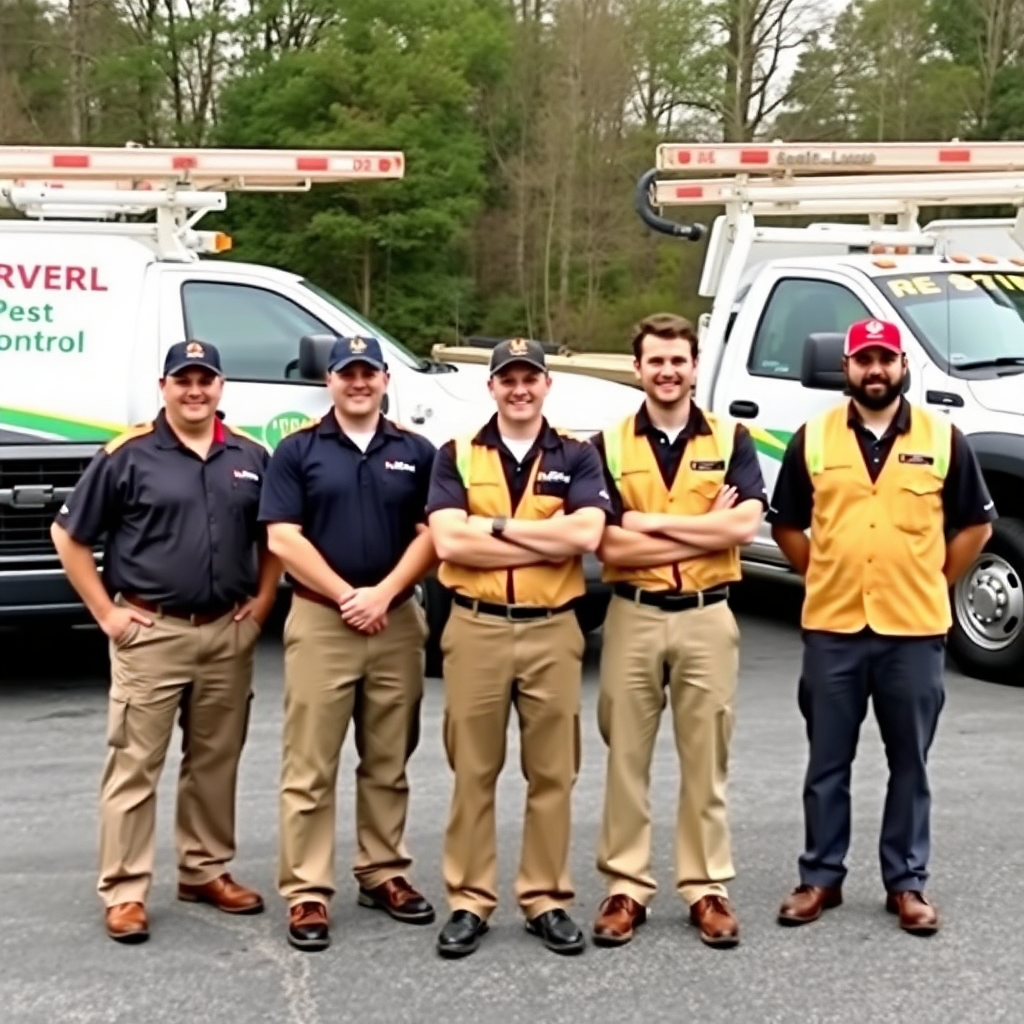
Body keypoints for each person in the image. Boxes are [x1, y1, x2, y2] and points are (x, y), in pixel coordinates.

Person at [768, 317, 997, 936]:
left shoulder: (944, 438)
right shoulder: (811, 439)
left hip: (913, 631)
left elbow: (976, 525)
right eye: (864, 360)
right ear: (846, 367)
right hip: (833, 628)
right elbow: (786, 522)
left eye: (886, 360)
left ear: (903, 368)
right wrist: (822, 573)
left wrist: (933, 579)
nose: (875, 371)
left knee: (911, 765)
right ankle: (820, 877)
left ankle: (907, 884)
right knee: (827, 762)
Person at [50, 340, 280, 944]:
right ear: (164, 387)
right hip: (152, 633)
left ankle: (204, 870)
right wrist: (106, 613)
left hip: (227, 632)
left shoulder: (251, 456)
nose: (195, 390)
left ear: (221, 387)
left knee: (215, 762)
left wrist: (261, 603)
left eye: (205, 380)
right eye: (184, 380)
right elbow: (68, 535)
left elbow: (275, 537)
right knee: (134, 766)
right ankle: (125, 891)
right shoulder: (128, 455)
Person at [425, 337, 611, 959]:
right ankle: (470, 900)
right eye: (508, 378)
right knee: (474, 772)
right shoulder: (455, 454)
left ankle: (546, 898)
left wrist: (496, 526)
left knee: (552, 772)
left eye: (530, 377)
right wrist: (545, 537)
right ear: (493, 387)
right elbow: (449, 543)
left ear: (546, 385)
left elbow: (586, 534)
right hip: (475, 625)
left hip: (552, 627)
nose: (520, 388)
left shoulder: (579, 455)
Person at [586, 313, 766, 950]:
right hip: (632, 613)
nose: (667, 371)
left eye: (678, 361)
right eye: (655, 361)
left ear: (695, 367)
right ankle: (626, 887)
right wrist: (697, 528)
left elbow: (742, 529)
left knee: (705, 758)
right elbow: (605, 539)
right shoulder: (605, 444)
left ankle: (705, 887)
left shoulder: (731, 438)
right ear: (637, 368)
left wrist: (646, 523)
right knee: (625, 759)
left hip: (707, 617)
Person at [258, 333, 438, 953]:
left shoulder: (416, 452)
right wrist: (346, 596)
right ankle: (307, 890)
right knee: (310, 764)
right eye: (346, 373)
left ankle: (383, 872)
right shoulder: (298, 450)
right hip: (321, 621)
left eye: (369, 373)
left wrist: (383, 593)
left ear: (386, 379)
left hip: (395, 622)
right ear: (329, 381)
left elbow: (432, 534)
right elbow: (283, 538)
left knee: (389, 758)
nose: (358, 383)